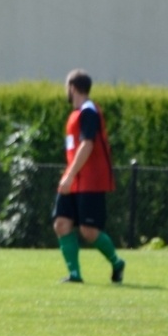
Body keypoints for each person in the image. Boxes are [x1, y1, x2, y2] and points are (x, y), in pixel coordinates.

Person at [54, 69, 125, 284]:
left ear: (73, 88)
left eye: (67, 87)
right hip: (74, 179)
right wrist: (70, 176)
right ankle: (75, 275)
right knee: (61, 223)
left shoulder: (89, 112)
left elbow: (87, 145)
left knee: (89, 231)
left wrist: (70, 175)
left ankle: (117, 262)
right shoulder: (76, 114)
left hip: (90, 180)